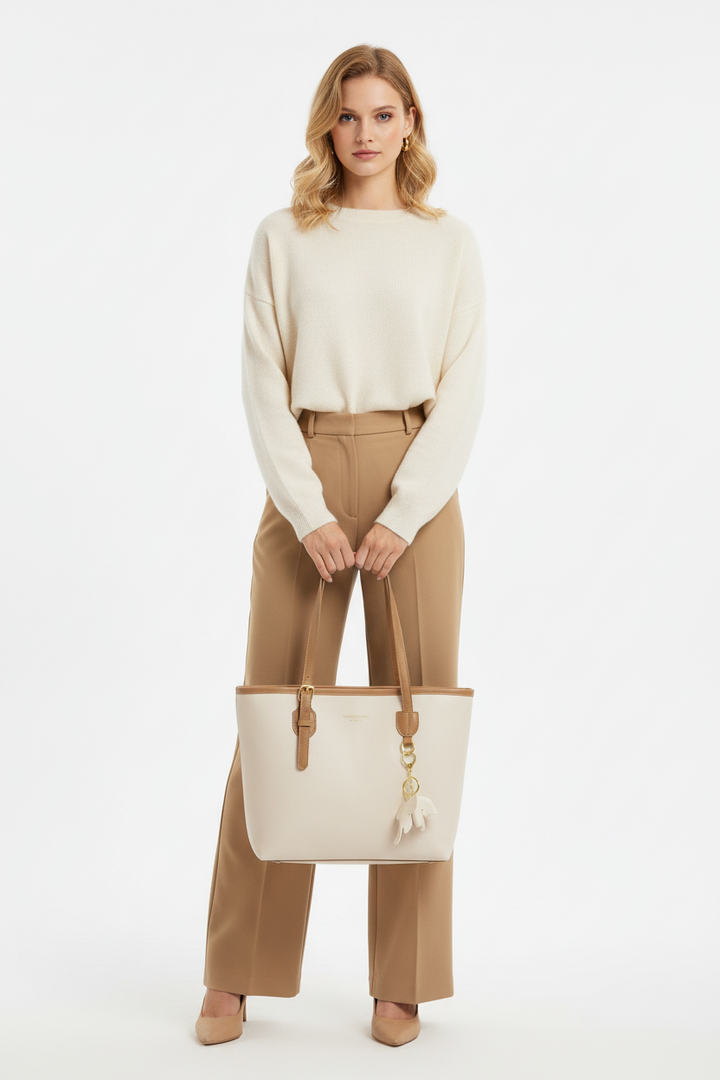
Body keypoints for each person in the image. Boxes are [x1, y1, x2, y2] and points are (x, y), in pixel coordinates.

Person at [195, 42, 487, 1048]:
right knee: (276, 723)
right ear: (328, 125)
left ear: (412, 125)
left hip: (418, 476)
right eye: (350, 116)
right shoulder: (285, 236)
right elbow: (260, 380)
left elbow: (463, 389)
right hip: (306, 473)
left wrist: (403, 515)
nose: (367, 134)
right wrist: (307, 506)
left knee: (418, 727)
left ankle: (401, 981)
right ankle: (235, 969)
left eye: (386, 115)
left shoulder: (448, 245)